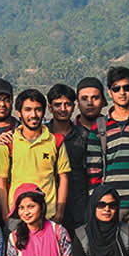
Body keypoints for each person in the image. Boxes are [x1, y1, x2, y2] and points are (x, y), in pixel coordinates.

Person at [85, 66, 129, 235]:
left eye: (126, 87)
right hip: (111, 204)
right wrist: (99, 202)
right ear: (109, 92)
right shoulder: (100, 127)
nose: (122, 92)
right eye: (116, 89)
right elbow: (94, 170)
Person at [0, 89, 70, 223]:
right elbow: (1, 180)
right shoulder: (7, 142)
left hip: (48, 214)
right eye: (28, 109)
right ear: (19, 113)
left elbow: (63, 177)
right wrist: (6, 214)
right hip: (18, 214)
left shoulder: (56, 141)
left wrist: (60, 212)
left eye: (38, 109)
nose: (33, 115)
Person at [47, 83, 90, 229]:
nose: (63, 109)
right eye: (57, 105)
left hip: (78, 203)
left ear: (74, 106)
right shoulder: (42, 134)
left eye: (67, 104)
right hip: (48, 201)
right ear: (50, 107)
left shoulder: (84, 135)